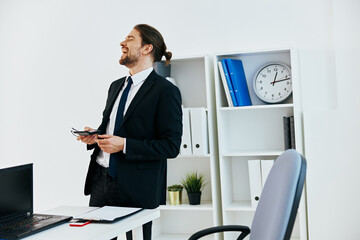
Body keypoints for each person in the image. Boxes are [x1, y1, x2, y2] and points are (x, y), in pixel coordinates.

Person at [77, 24, 182, 240]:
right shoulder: (116, 86)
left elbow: (170, 146)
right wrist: (95, 136)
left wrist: (124, 145)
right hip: (100, 181)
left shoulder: (166, 91)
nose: (122, 43)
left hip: (137, 187)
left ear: (147, 48)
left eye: (130, 39)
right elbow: (116, 128)